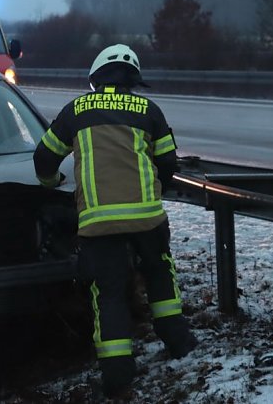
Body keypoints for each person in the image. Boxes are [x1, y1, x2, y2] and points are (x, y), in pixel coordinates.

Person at [33, 44, 197, 397]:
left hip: (99, 222)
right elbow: (168, 162)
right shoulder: (149, 110)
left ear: (95, 77)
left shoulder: (75, 110)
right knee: (159, 275)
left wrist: (52, 183)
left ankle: (117, 374)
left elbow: (44, 157)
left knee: (108, 293)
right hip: (147, 217)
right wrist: (154, 188)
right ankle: (179, 342)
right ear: (133, 80)